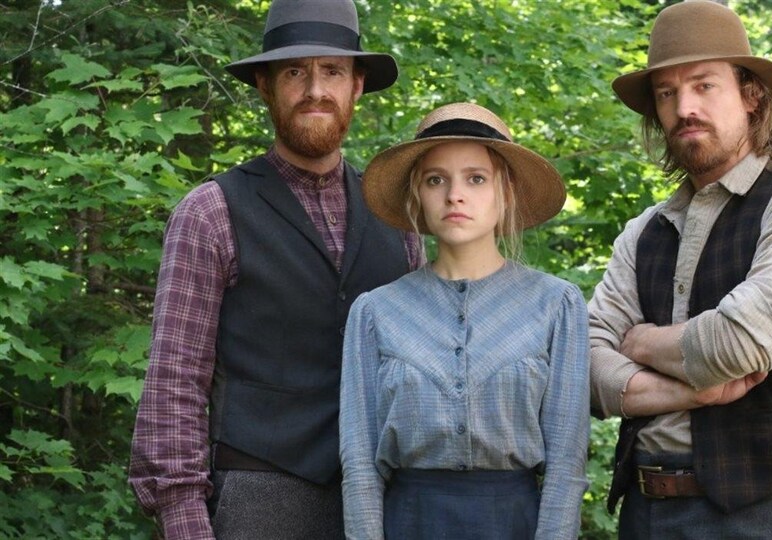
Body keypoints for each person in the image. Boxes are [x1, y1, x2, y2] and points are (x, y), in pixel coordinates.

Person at [128, 1, 422, 538]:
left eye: (332, 71)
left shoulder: (397, 214)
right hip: (258, 494)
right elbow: (175, 381)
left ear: (357, 85)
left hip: (382, 498)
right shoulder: (211, 210)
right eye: (295, 72)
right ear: (265, 86)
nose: (315, 90)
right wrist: (183, 518)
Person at [588, 1, 772, 538]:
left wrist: (639, 344)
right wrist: (696, 390)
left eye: (703, 85)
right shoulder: (644, 231)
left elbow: (737, 345)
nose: (683, 107)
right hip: (643, 514)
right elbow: (587, 368)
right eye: (666, 93)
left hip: (757, 515)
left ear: (750, 95)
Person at [339, 102, 590, 539]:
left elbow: (567, 466)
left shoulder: (556, 305)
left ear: (505, 191)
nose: (455, 195)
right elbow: (360, 464)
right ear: (417, 193)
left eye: (476, 178)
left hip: (515, 523)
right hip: (409, 523)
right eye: (436, 180)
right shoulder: (375, 312)